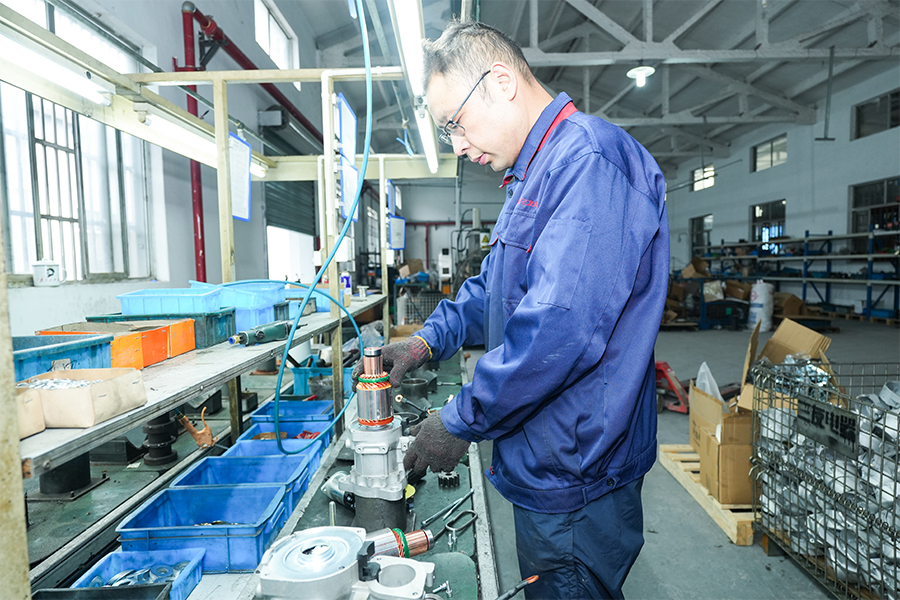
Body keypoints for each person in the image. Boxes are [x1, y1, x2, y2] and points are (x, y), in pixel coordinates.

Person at [358, 19, 669, 600]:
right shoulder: (532, 174)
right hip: (546, 453)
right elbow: (494, 288)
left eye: (455, 123)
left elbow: (557, 331)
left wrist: (459, 420)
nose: (456, 145)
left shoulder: (588, 163)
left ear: (501, 82)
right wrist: (427, 340)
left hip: (579, 468)